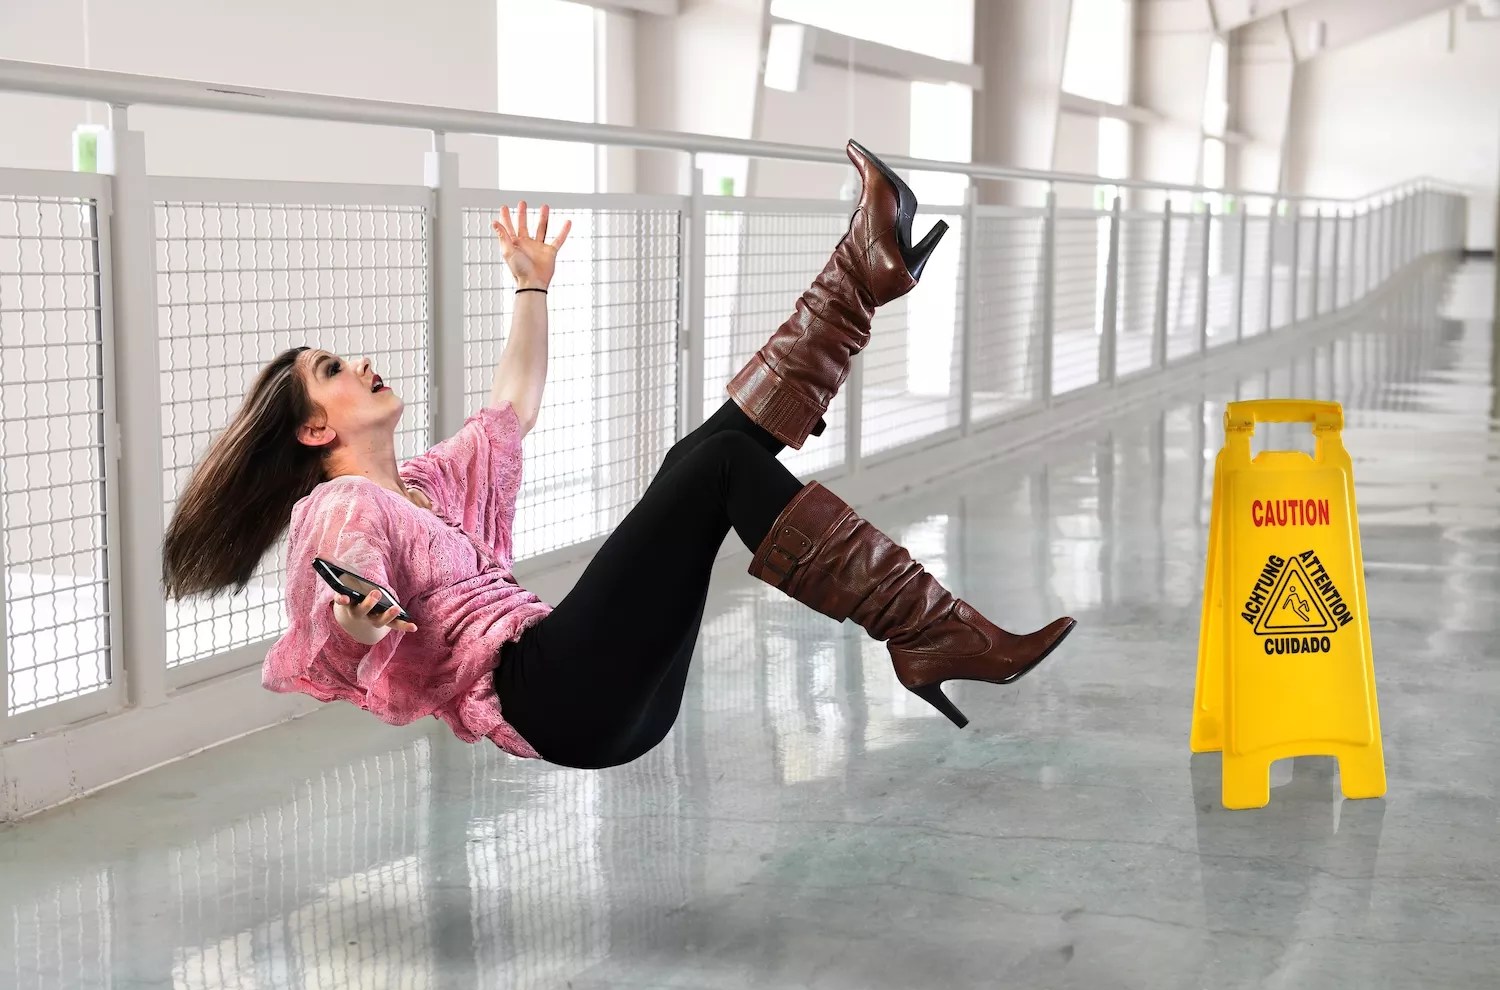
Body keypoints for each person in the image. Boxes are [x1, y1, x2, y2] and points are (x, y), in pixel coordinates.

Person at [161, 140, 1076, 770]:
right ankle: (930, 630)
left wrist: (530, 288)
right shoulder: (343, 508)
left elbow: (509, 407)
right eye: (332, 371)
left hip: (596, 699)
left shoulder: (425, 484)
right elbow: (342, 624)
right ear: (314, 430)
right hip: (554, 695)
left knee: (706, 452)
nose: (360, 364)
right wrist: (362, 616)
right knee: (714, 468)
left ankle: (862, 278)